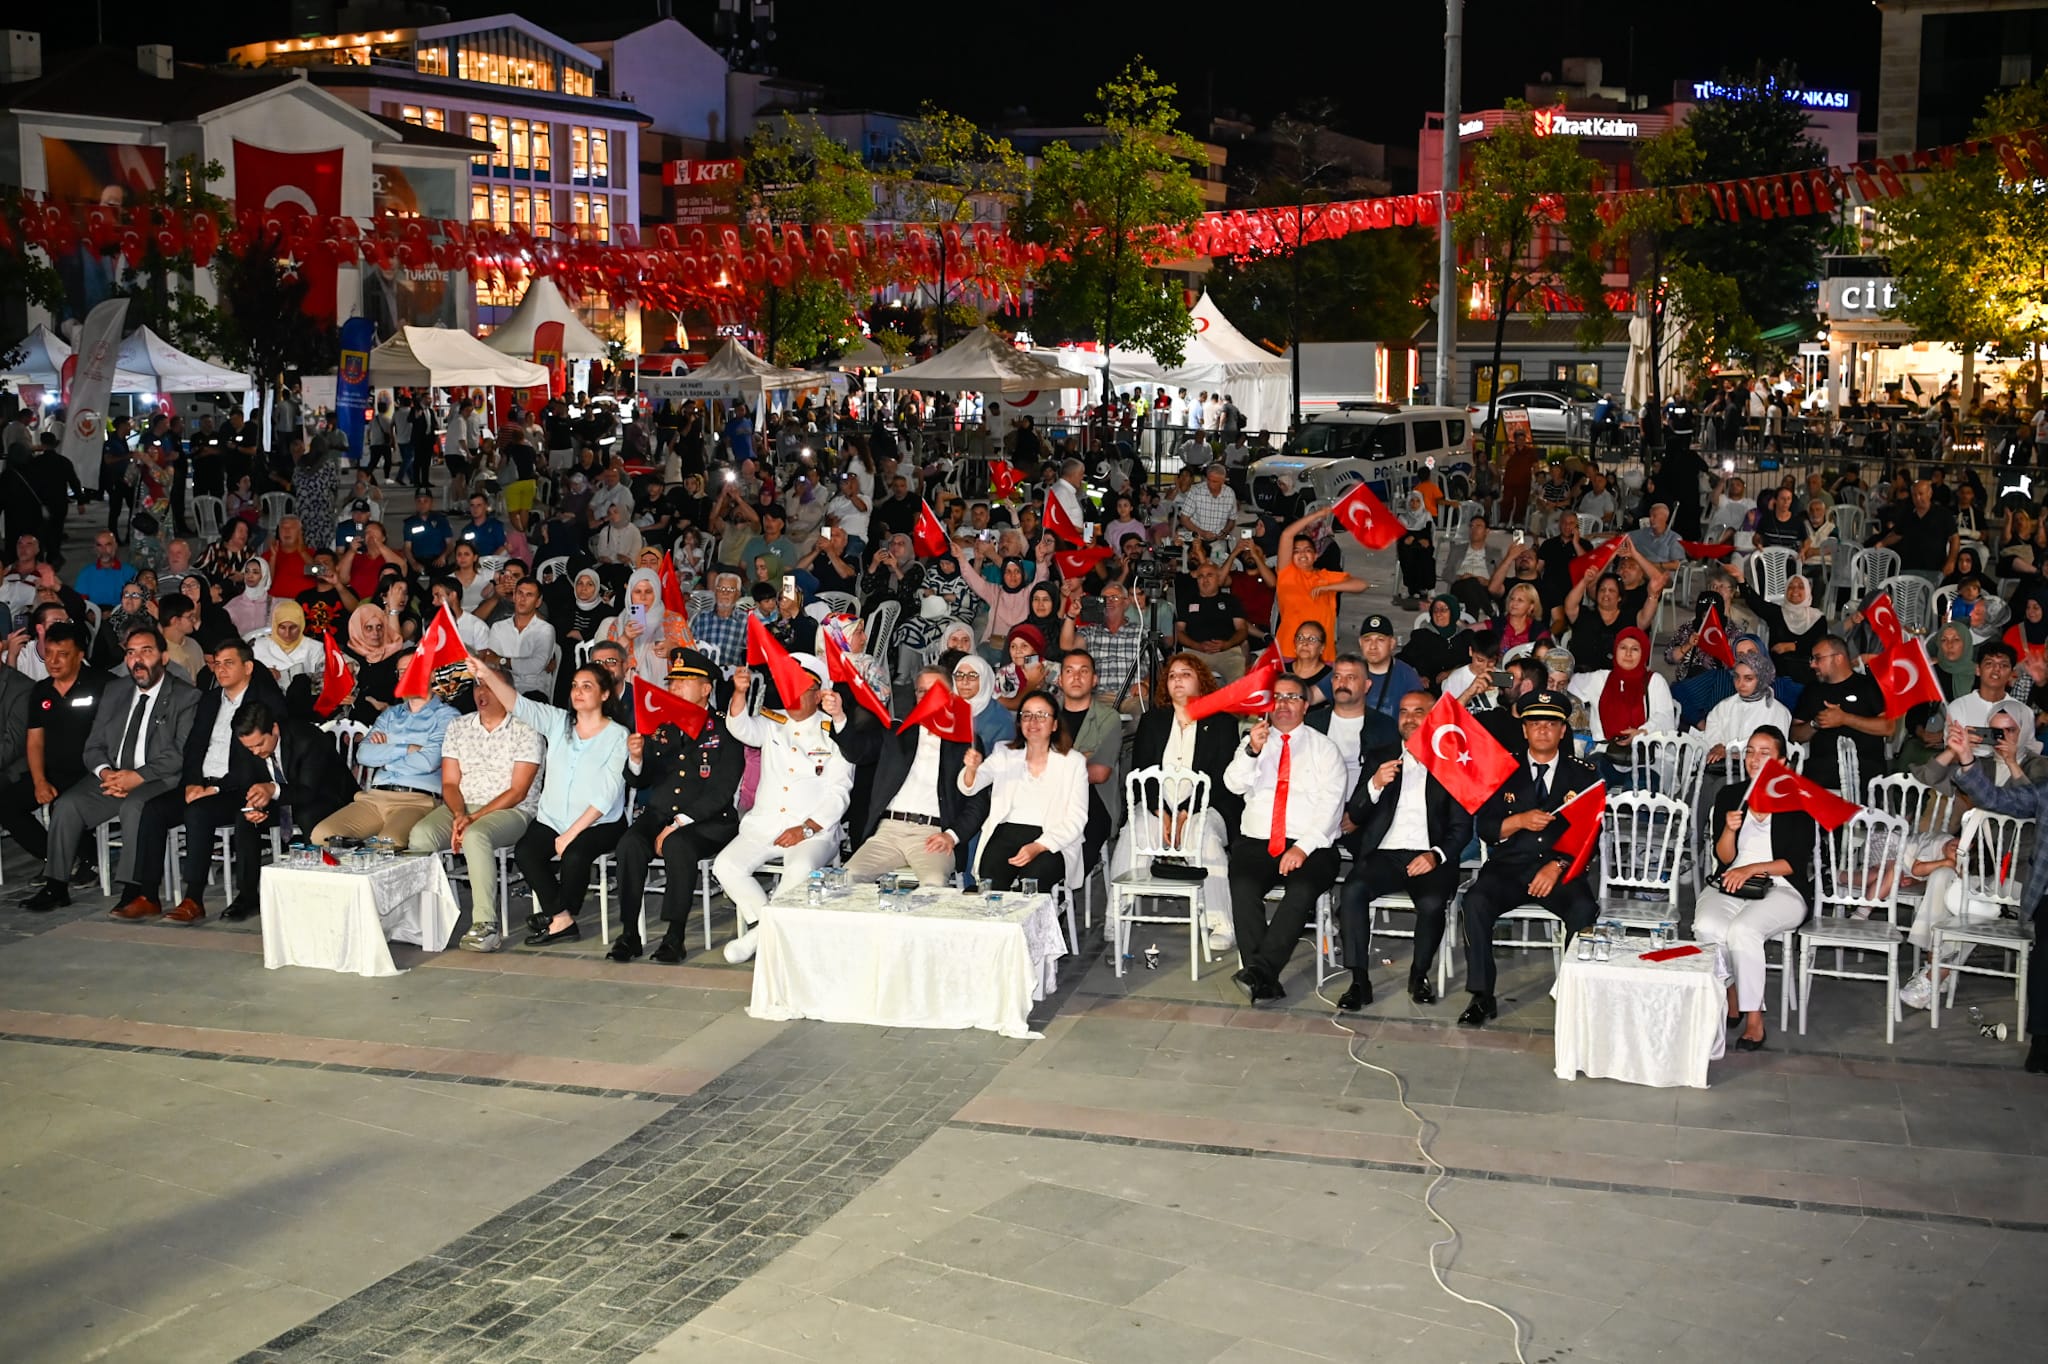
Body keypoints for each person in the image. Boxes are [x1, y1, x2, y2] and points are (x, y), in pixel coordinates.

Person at [22, 625, 200, 912]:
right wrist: (106, 773)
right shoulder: (116, 690)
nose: (137, 660)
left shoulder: (185, 696)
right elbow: (93, 746)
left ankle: (134, 889)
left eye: (146, 651)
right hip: (114, 775)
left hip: (159, 779)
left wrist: (137, 777)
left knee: (134, 806)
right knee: (67, 805)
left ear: (164, 658)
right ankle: (55, 885)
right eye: (131, 653)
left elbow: (179, 754)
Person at [1457, 690, 1601, 1028]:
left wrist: (1558, 865)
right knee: (1475, 902)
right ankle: (1482, 995)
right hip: (1509, 867)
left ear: (1563, 730)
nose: (1542, 731)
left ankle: (1571, 995)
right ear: (1524, 729)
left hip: (1558, 869)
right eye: (1535, 723)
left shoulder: (1583, 774)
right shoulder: (1503, 769)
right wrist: (1520, 821)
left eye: (1551, 724)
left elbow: (1591, 833)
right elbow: (1488, 829)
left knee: (1583, 909)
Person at [121, 640, 287, 923]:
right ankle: (147, 895)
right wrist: (191, 783)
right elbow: (194, 746)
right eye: (217, 664)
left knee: (198, 812)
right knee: (153, 809)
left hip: (240, 788)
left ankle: (193, 899)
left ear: (247, 667)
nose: (220, 670)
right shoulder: (209, 700)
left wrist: (215, 788)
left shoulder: (265, 703)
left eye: (229, 663)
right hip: (202, 784)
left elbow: (258, 759)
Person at [472, 652, 629, 948]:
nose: (577, 692)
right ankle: (560, 916)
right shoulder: (558, 722)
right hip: (553, 817)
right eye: (574, 685)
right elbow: (518, 703)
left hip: (600, 821)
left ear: (604, 694)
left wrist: (571, 833)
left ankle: (557, 918)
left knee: (575, 854)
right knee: (527, 852)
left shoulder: (618, 736)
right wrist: (486, 673)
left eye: (587, 686)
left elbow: (607, 794)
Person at [1338, 689, 1475, 1010]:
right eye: (1403, 712)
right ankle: (1359, 981)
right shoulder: (1380, 756)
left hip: (1430, 855)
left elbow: (1461, 827)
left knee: (1431, 904)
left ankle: (1419, 975)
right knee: (1352, 891)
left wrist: (1435, 855)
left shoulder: (1450, 761)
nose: (1409, 719)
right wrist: (1374, 784)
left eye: (1419, 712)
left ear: (1434, 719)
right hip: (1383, 855)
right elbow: (1355, 815)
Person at [714, 652, 855, 964]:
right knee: (725, 866)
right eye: (787, 686)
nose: (791, 694)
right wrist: (739, 692)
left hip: (812, 832)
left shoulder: (834, 729)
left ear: (819, 694)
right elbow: (740, 728)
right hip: (764, 825)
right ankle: (769, 929)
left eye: (801, 688)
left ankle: (755, 939)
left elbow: (839, 792)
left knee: (800, 869)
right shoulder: (772, 721)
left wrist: (806, 827)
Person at [609, 649, 744, 964]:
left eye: (683, 682)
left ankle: (675, 936)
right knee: (629, 843)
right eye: (672, 682)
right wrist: (637, 758)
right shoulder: (663, 727)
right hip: (660, 813)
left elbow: (722, 789)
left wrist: (681, 821)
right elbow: (640, 781)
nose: (674, 688)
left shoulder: (725, 728)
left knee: (679, 845)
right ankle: (629, 932)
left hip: (707, 820)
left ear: (706, 688)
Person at [1222, 673, 1346, 1005]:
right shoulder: (1255, 741)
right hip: (1259, 839)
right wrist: (1251, 750)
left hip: (1313, 843)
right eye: (1277, 697)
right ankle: (1263, 977)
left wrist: (1301, 848)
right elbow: (1232, 785)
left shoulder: (1325, 750)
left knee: (1302, 888)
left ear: (1305, 705)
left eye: (1292, 697)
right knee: (1243, 884)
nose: (1283, 704)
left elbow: (1331, 809)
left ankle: (1259, 972)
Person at [1694, 725, 1817, 1052]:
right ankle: (1730, 996)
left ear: (1782, 762)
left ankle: (1753, 1019)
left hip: (1783, 886)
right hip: (1733, 879)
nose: (1754, 759)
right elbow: (1723, 858)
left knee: (1744, 930)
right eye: (1750, 751)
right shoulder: (1731, 796)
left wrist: (1753, 868)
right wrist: (1730, 831)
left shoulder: (1798, 800)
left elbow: (1793, 862)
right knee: (1708, 926)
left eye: (1765, 753)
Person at [410, 656, 545, 954]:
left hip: (510, 811)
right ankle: (421, 920)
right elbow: (449, 783)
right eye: (476, 686)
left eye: (489, 686)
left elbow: (518, 791)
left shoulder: (526, 729)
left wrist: (474, 818)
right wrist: (460, 814)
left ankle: (485, 925)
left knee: (476, 835)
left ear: (508, 691)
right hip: (463, 806)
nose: (481, 694)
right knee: (420, 836)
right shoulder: (459, 726)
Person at [1110, 653, 1244, 949]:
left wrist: (1185, 814)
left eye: (1186, 674)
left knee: (1203, 837)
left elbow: (1222, 779)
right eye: (1172, 676)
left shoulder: (1222, 723)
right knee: (1134, 832)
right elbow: (1141, 770)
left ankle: (1219, 922)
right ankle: (1116, 915)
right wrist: (1162, 811)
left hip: (1208, 806)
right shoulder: (1153, 721)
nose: (1177, 680)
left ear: (1201, 681)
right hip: (1159, 804)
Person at [840, 665, 992, 890]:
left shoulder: (965, 741)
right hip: (888, 831)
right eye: (922, 691)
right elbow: (857, 752)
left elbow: (978, 801)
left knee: (934, 885)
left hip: (933, 834)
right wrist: (838, 717)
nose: (928, 696)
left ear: (950, 695)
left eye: (935, 690)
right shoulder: (897, 732)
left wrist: (952, 836)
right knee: (845, 879)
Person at [1, 623, 105, 880]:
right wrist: (39, 781)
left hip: (92, 771)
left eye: (63, 654)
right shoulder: (41, 691)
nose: (54, 661)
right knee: (6, 804)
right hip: (53, 770)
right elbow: (34, 742)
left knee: (65, 803)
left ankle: (89, 860)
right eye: (49, 653)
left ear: (80, 655)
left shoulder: (103, 685)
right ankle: (55, 857)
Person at [957, 690, 1088, 894]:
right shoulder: (1005, 753)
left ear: (1054, 724)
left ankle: (1037, 924)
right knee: (990, 880)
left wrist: (1038, 846)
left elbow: (1076, 820)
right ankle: (998, 924)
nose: (1033, 721)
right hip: (1006, 832)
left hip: (1052, 837)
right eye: (1026, 715)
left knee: (1034, 877)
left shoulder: (1073, 762)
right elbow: (970, 786)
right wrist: (972, 768)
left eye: (1041, 715)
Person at [308, 686, 457, 845]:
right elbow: (363, 755)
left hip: (417, 799)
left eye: (412, 669)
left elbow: (428, 762)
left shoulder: (447, 715)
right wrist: (407, 748)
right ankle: (357, 862)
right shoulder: (391, 714)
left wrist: (385, 756)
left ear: (431, 674)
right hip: (375, 796)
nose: (407, 676)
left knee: (389, 843)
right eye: (401, 672)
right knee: (323, 835)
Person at [1255, 507, 1369, 664]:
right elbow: (1287, 535)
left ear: (1316, 556)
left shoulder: (1326, 576)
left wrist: (1328, 588)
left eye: (1307, 550)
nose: (1302, 554)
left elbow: (1362, 584)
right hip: (1289, 652)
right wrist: (1316, 515)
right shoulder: (1286, 574)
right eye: (1297, 551)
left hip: (1323, 655)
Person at [1568, 627, 1678, 777]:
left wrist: (1642, 732)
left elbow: (1665, 717)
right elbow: (1565, 680)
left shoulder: (1655, 681)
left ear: (1643, 653)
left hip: (1647, 754)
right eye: (1623, 648)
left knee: (1639, 789)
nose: (1628, 654)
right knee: (1590, 780)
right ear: (1615, 650)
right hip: (1607, 752)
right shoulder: (1600, 679)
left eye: (1635, 649)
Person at [1790, 635, 1890, 795]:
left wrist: (1845, 718)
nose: (1812, 664)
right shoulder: (1812, 690)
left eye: (1818, 658)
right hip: (1822, 769)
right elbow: (1795, 735)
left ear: (1838, 658)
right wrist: (1816, 723)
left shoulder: (1868, 686)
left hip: (1864, 768)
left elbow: (1888, 727)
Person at [1054, 651, 1126, 867]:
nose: (1076, 677)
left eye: (1083, 671)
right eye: (1069, 671)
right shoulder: (1047, 714)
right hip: (1049, 797)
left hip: (1094, 800)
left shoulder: (1108, 718)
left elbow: (1099, 773)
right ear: (1059, 680)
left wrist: (1054, 763)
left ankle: (1060, 888)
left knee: (1072, 856)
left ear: (1094, 680)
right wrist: (1080, 759)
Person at [488, 578, 557, 699]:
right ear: (514, 596)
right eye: (520, 593)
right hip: (504, 687)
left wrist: (502, 660)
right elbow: (491, 662)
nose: (523, 599)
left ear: (538, 602)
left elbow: (536, 665)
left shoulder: (545, 629)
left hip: (533, 689)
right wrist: (498, 661)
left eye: (529, 595)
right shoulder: (498, 627)